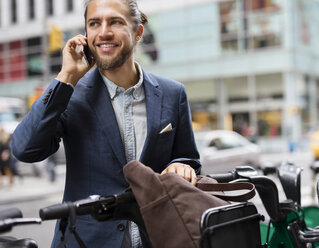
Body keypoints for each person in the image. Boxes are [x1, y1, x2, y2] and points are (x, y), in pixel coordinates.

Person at [11, 0, 201, 247]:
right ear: (86, 34)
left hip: (156, 237)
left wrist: (182, 166)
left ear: (138, 32)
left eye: (115, 22)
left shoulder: (173, 94)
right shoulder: (70, 94)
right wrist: (66, 77)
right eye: (94, 23)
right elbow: (25, 149)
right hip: (85, 240)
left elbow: (189, 159)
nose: (103, 32)